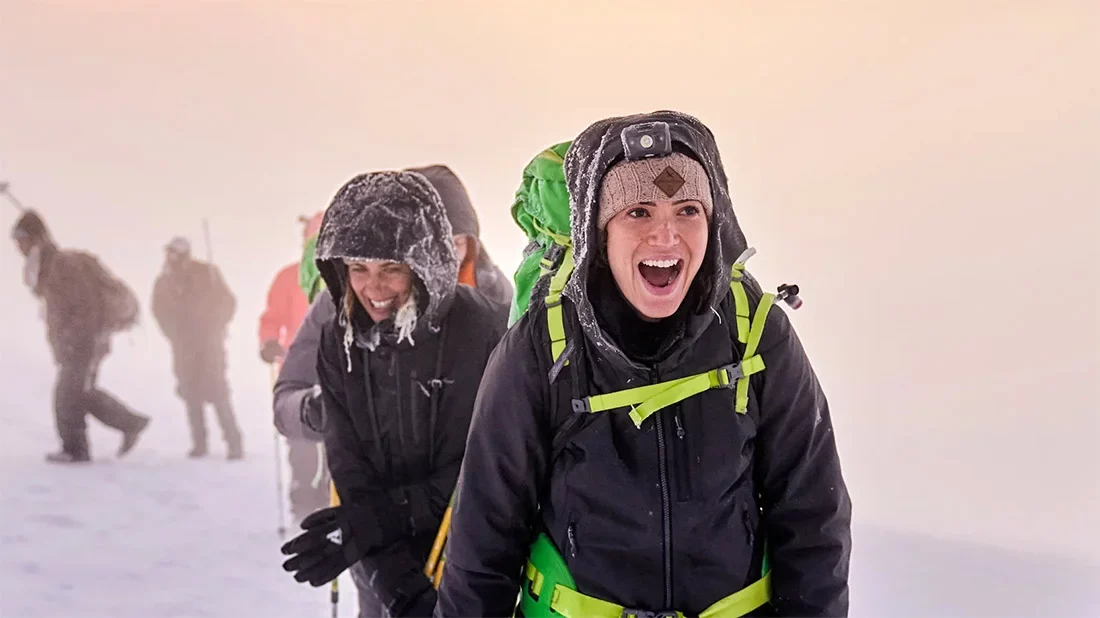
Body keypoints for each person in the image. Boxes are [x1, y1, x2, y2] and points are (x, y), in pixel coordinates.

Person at [435, 111, 852, 618]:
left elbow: (813, 514)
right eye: (637, 212)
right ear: (599, 232)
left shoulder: (754, 332)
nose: (665, 236)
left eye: (688, 210)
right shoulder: (541, 347)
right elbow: (483, 541)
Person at [278, 170, 506, 617]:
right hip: (381, 563)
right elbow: (351, 471)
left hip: (473, 555)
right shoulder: (337, 340)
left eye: (391, 269)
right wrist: (399, 585)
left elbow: (480, 470)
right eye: (358, 268)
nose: (373, 288)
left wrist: (380, 520)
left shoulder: (483, 329)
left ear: (424, 266)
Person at [10, 210, 150, 464]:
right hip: (80, 342)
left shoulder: (63, 264)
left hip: (85, 342)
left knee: (66, 395)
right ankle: (130, 423)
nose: (18, 247)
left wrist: (74, 340)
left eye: (22, 239)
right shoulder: (49, 266)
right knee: (81, 393)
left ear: (36, 238)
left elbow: (86, 306)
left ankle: (75, 450)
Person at [260, 212, 330, 520]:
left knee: (336, 442)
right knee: (302, 441)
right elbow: (272, 317)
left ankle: (327, 498)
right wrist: (268, 341)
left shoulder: (350, 276)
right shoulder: (288, 277)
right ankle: (304, 500)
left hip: (335, 370)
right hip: (298, 370)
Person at [151, 237, 243, 460]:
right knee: (191, 394)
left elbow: (228, 302)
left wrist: (216, 322)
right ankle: (199, 444)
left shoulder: (207, 272)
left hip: (210, 344)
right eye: (169, 252)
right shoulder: (164, 280)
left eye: (174, 252)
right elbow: (159, 311)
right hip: (183, 347)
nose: (170, 256)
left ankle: (234, 444)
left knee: (219, 392)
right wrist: (173, 334)